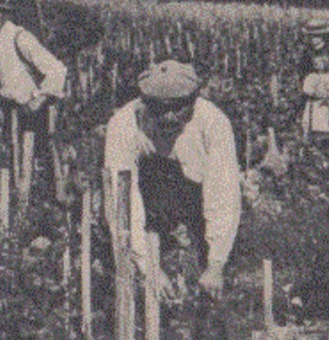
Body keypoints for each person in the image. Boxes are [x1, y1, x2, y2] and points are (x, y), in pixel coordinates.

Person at [103, 60, 240, 296]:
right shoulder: (124, 125)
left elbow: (223, 193)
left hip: (196, 200)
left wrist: (216, 263)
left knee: (208, 287)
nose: (168, 117)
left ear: (194, 101)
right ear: (144, 103)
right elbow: (122, 198)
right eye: (158, 108)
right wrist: (147, 267)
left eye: (178, 108)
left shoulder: (213, 123)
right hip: (150, 204)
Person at [0, 0, 66, 174]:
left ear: (4, 14)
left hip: (30, 113)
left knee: (33, 164)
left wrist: (39, 97)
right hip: (8, 111)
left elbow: (58, 70)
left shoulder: (20, 38)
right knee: (11, 164)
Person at [299, 47, 329, 138]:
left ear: (325, 63)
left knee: (326, 127)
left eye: (319, 63)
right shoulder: (311, 76)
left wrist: (328, 95)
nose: (317, 65)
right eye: (315, 63)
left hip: (327, 105)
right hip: (314, 104)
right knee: (312, 125)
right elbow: (306, 89)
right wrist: (314, 92)